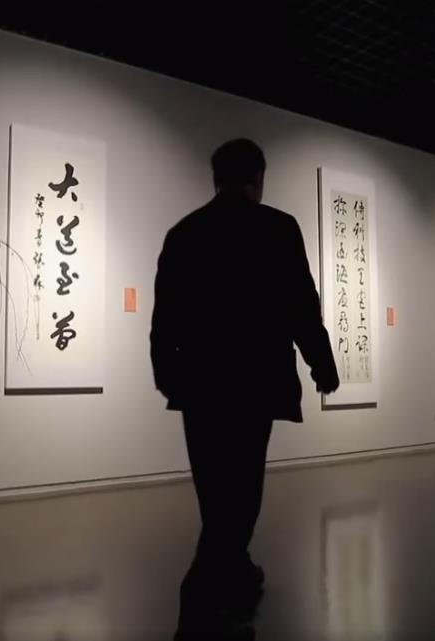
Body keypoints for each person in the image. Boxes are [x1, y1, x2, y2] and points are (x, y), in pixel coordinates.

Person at [150, 138, 340, 635]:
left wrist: (167, 376)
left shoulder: (185, 233)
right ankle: (205, 586)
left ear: (215, 178)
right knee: (243, 483)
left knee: (214, 486)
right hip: (256, 380)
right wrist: (322, 364)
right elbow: (302, 306)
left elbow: (164, 317)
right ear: (258, 177)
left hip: (199, 383)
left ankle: (229, 569)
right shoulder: (278, 228)